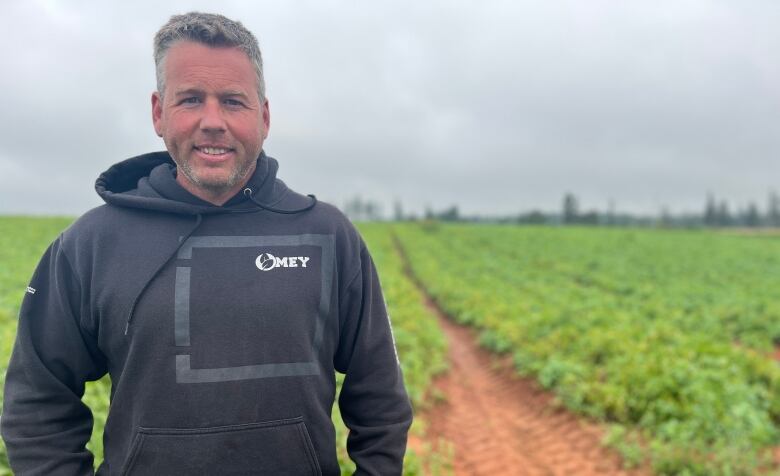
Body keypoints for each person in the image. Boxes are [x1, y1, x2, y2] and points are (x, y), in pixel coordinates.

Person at [1, 12, 412, 475]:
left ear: (265, 115)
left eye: (234, 101)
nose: (212, 121)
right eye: (191, 99)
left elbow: (380, 399)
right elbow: (38, 403)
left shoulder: (328, 236)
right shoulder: (89, 245)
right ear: (159, 112)